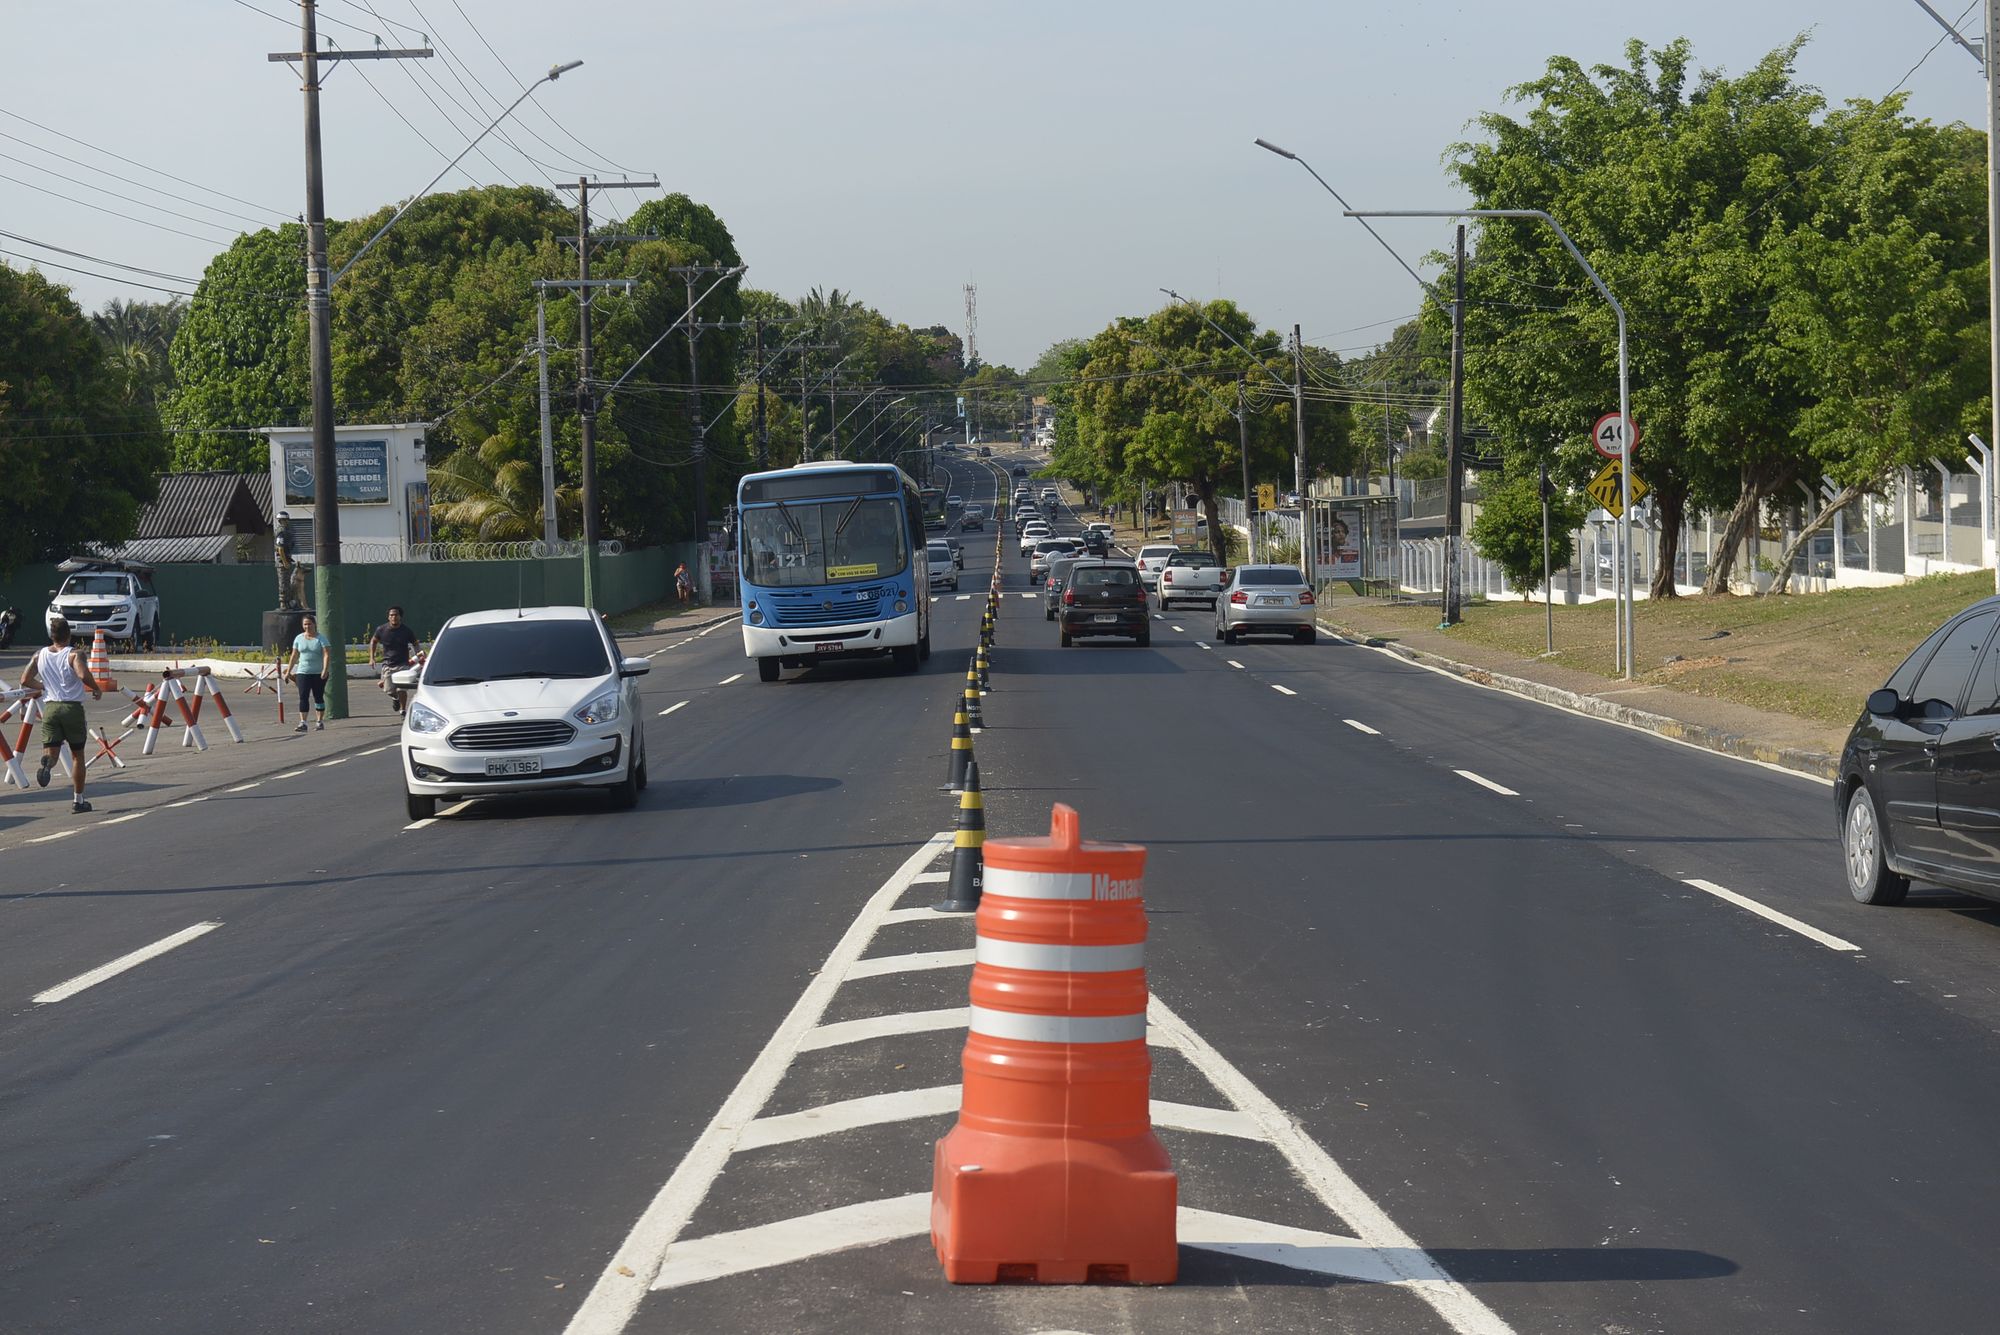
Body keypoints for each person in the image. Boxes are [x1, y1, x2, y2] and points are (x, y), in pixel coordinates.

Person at [20, 616, 103, 813]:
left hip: (50, 709)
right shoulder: (75, 654)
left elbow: (25, 679)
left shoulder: (39, 655)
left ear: (52, 635)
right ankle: (78, 800)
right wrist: (96, 688)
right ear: (69, 635)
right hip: (71, 708)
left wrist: (43, 685)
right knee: (77, 756)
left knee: (53, 751)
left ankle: (48, 764)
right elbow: (82, 674)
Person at [369, 605, 420, 714]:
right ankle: (395, 698)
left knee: (401, 689)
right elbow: (373, 641)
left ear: (400, 617)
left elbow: (415, 643)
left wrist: (418, 655)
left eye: (396, 615)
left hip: (403, 664)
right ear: (388, 617)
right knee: (389, 690)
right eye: (391, 615)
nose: (394, 617)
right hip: (388, 664)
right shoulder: (381, 629)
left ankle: (403, 710)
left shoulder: (406, 631)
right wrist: (372, 658)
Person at [286, 613, 332, 733]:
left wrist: (325, 670)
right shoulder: (299, 638)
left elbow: (327, 654)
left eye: (309, 624)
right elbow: (294, 655)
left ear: (314, 624)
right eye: (305, 624)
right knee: (303, 697)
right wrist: (288, 671)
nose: (307, 626)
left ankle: (319, 721)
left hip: (318, 673)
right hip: (303, 672)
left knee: (318, 697)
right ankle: (303, 723)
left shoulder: (321, 638)